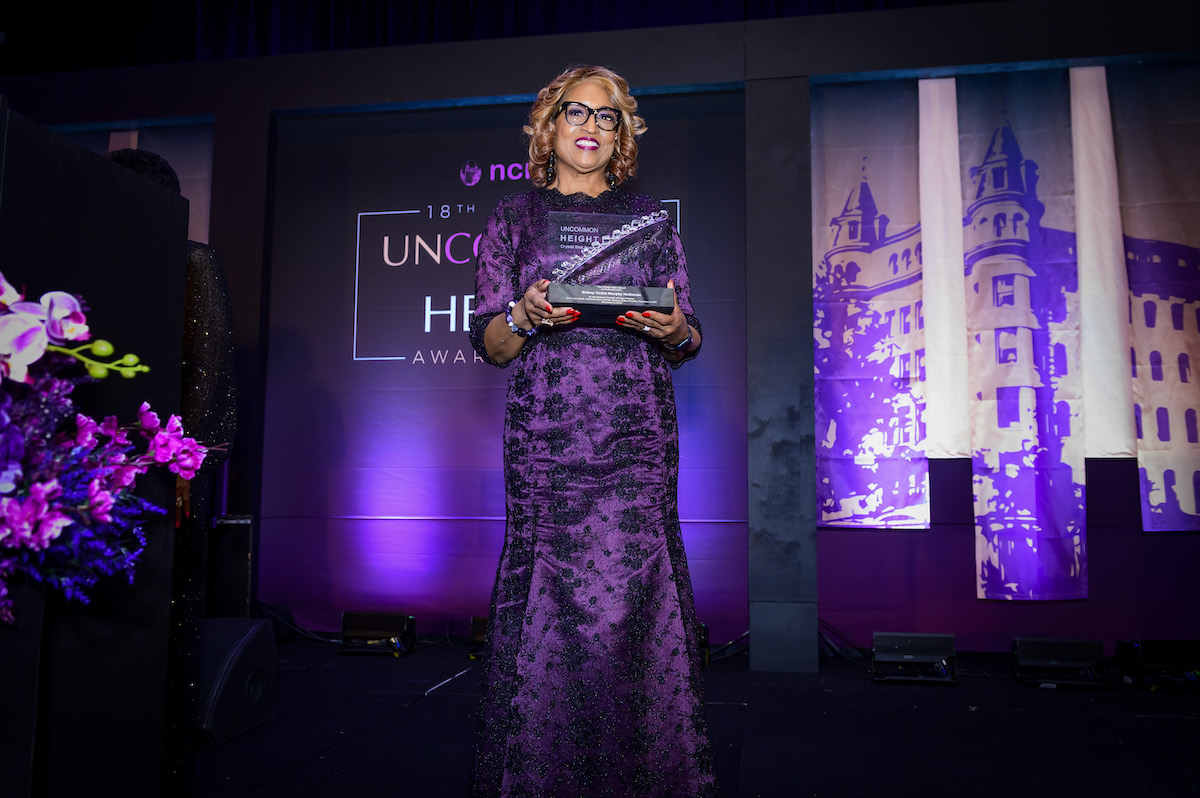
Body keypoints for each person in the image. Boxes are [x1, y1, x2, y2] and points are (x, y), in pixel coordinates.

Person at [466, 65, 715, 797]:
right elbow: (490, 344)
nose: (591, 126)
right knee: (555, 600)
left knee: (637, 600)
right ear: (549, 126)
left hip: (637, 431)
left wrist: (676, 329)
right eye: (576, 112)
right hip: (549, 434)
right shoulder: (513, 219)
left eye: (608, 117)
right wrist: (523, 314)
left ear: (622, 136)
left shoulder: (655, 223)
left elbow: (688, 334)